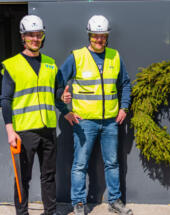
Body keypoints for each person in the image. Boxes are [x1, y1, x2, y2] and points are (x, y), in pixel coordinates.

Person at [56, 15, 132, 215]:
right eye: (96, 36)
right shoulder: (77, 56)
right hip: (84, 122)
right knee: (80, 164)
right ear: (89, 35)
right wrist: (65, 110)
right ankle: (79, 203)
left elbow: (125, 83)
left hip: (110, 122)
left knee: (113, 163)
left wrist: (123, 107)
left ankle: (115, 201)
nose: (99, 40)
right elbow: (57, 82)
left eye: (103, 36)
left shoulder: (115, 57)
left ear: (107, 37)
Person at [1, 15, 62, 215]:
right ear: (23, 37)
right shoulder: (12, 65)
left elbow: (57, 93)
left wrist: (65, 98)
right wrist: (10, 131)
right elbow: (6, 100)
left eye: (39, 35)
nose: (35, 39)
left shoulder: (51, 64)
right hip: (24, 132)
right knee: (22, 178)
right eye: (30, 35)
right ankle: (22, 213)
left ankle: (50, 212)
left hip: (48, 130)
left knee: (49, 176)